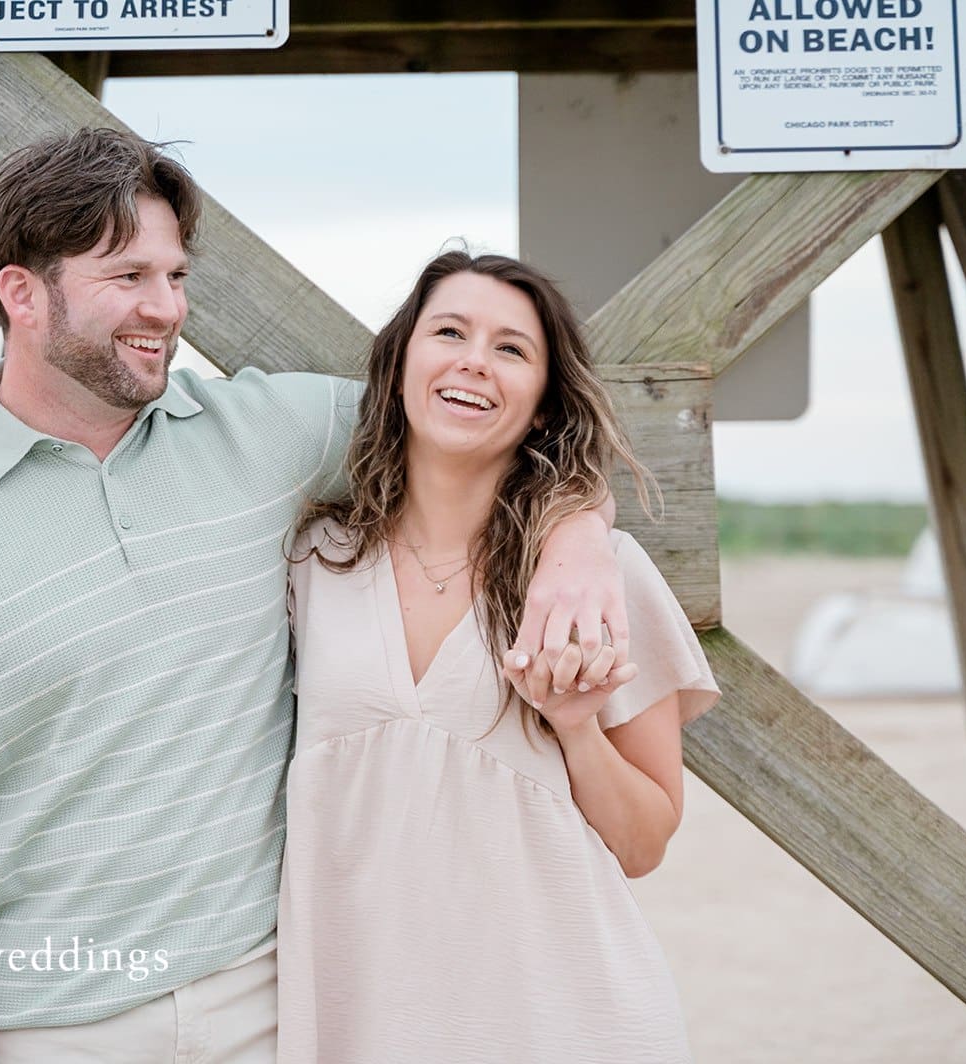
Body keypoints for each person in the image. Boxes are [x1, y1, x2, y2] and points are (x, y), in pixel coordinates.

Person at [0, 129, 628, 1063]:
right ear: (21, 293)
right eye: (128, 276)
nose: (167, 308)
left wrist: (580, 541)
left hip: (281, 1002)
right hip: (50, 1028)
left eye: (175, 274)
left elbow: (493, 436)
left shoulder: (265, 433)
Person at [280, 251, 721, 1063]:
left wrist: (577, 730)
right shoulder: (310, 562)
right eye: (450, 331)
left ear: (544, 407)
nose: (474, 359)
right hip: (361, 1023)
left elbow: (644, 845)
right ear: (402, 362)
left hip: (563, 1022)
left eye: (512, 348)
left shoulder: (603, 575)